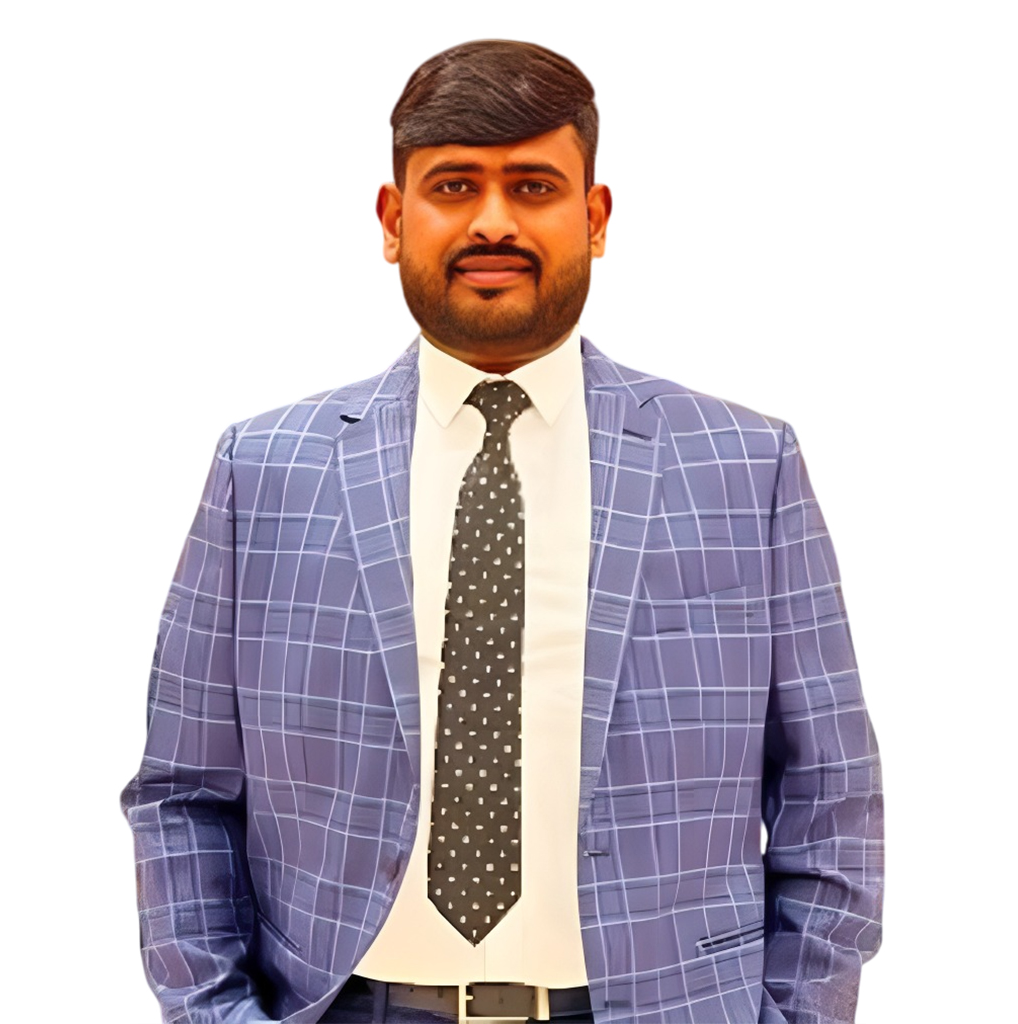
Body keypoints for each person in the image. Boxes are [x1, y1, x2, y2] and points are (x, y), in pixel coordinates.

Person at [122, 39, 883, 1024]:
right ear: (393, 220)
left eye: (532, 186)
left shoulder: (744, 466)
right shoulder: (264, 472)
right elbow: (183, 794)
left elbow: (832, 794)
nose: (492, 221)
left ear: (594, 219)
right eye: (453, 186)